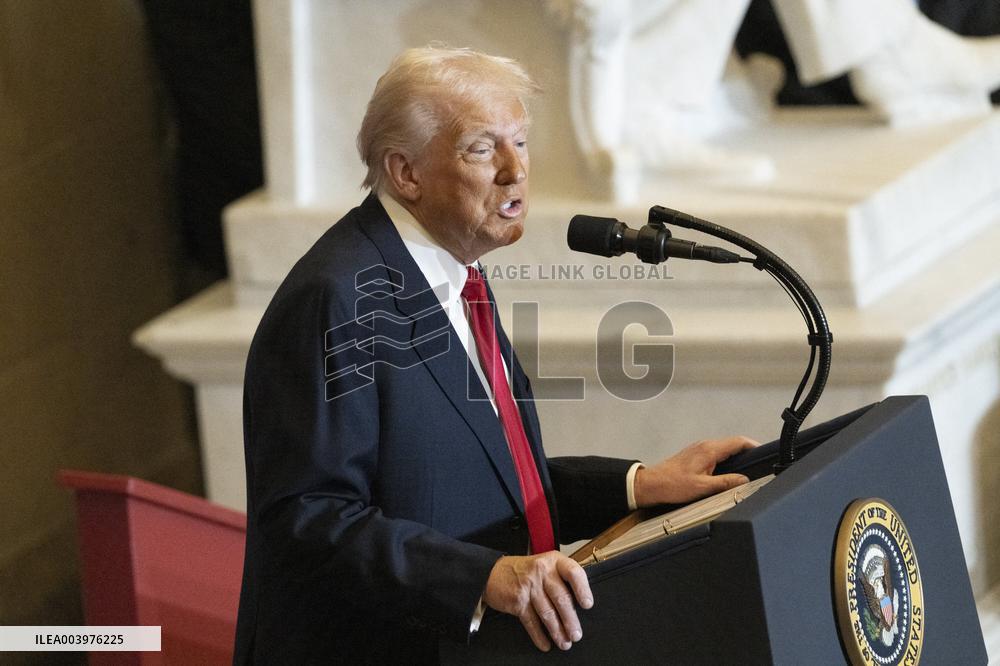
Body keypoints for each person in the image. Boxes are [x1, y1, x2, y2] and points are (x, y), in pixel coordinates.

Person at [233, 45, 756, 664]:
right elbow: (306, 520)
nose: (515, 170)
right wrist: (480, 578)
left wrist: (639, 485)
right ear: (406, 173)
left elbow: (492, 478)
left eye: (521, 142)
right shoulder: (336, 297)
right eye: (482, 149)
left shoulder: (456, 274)